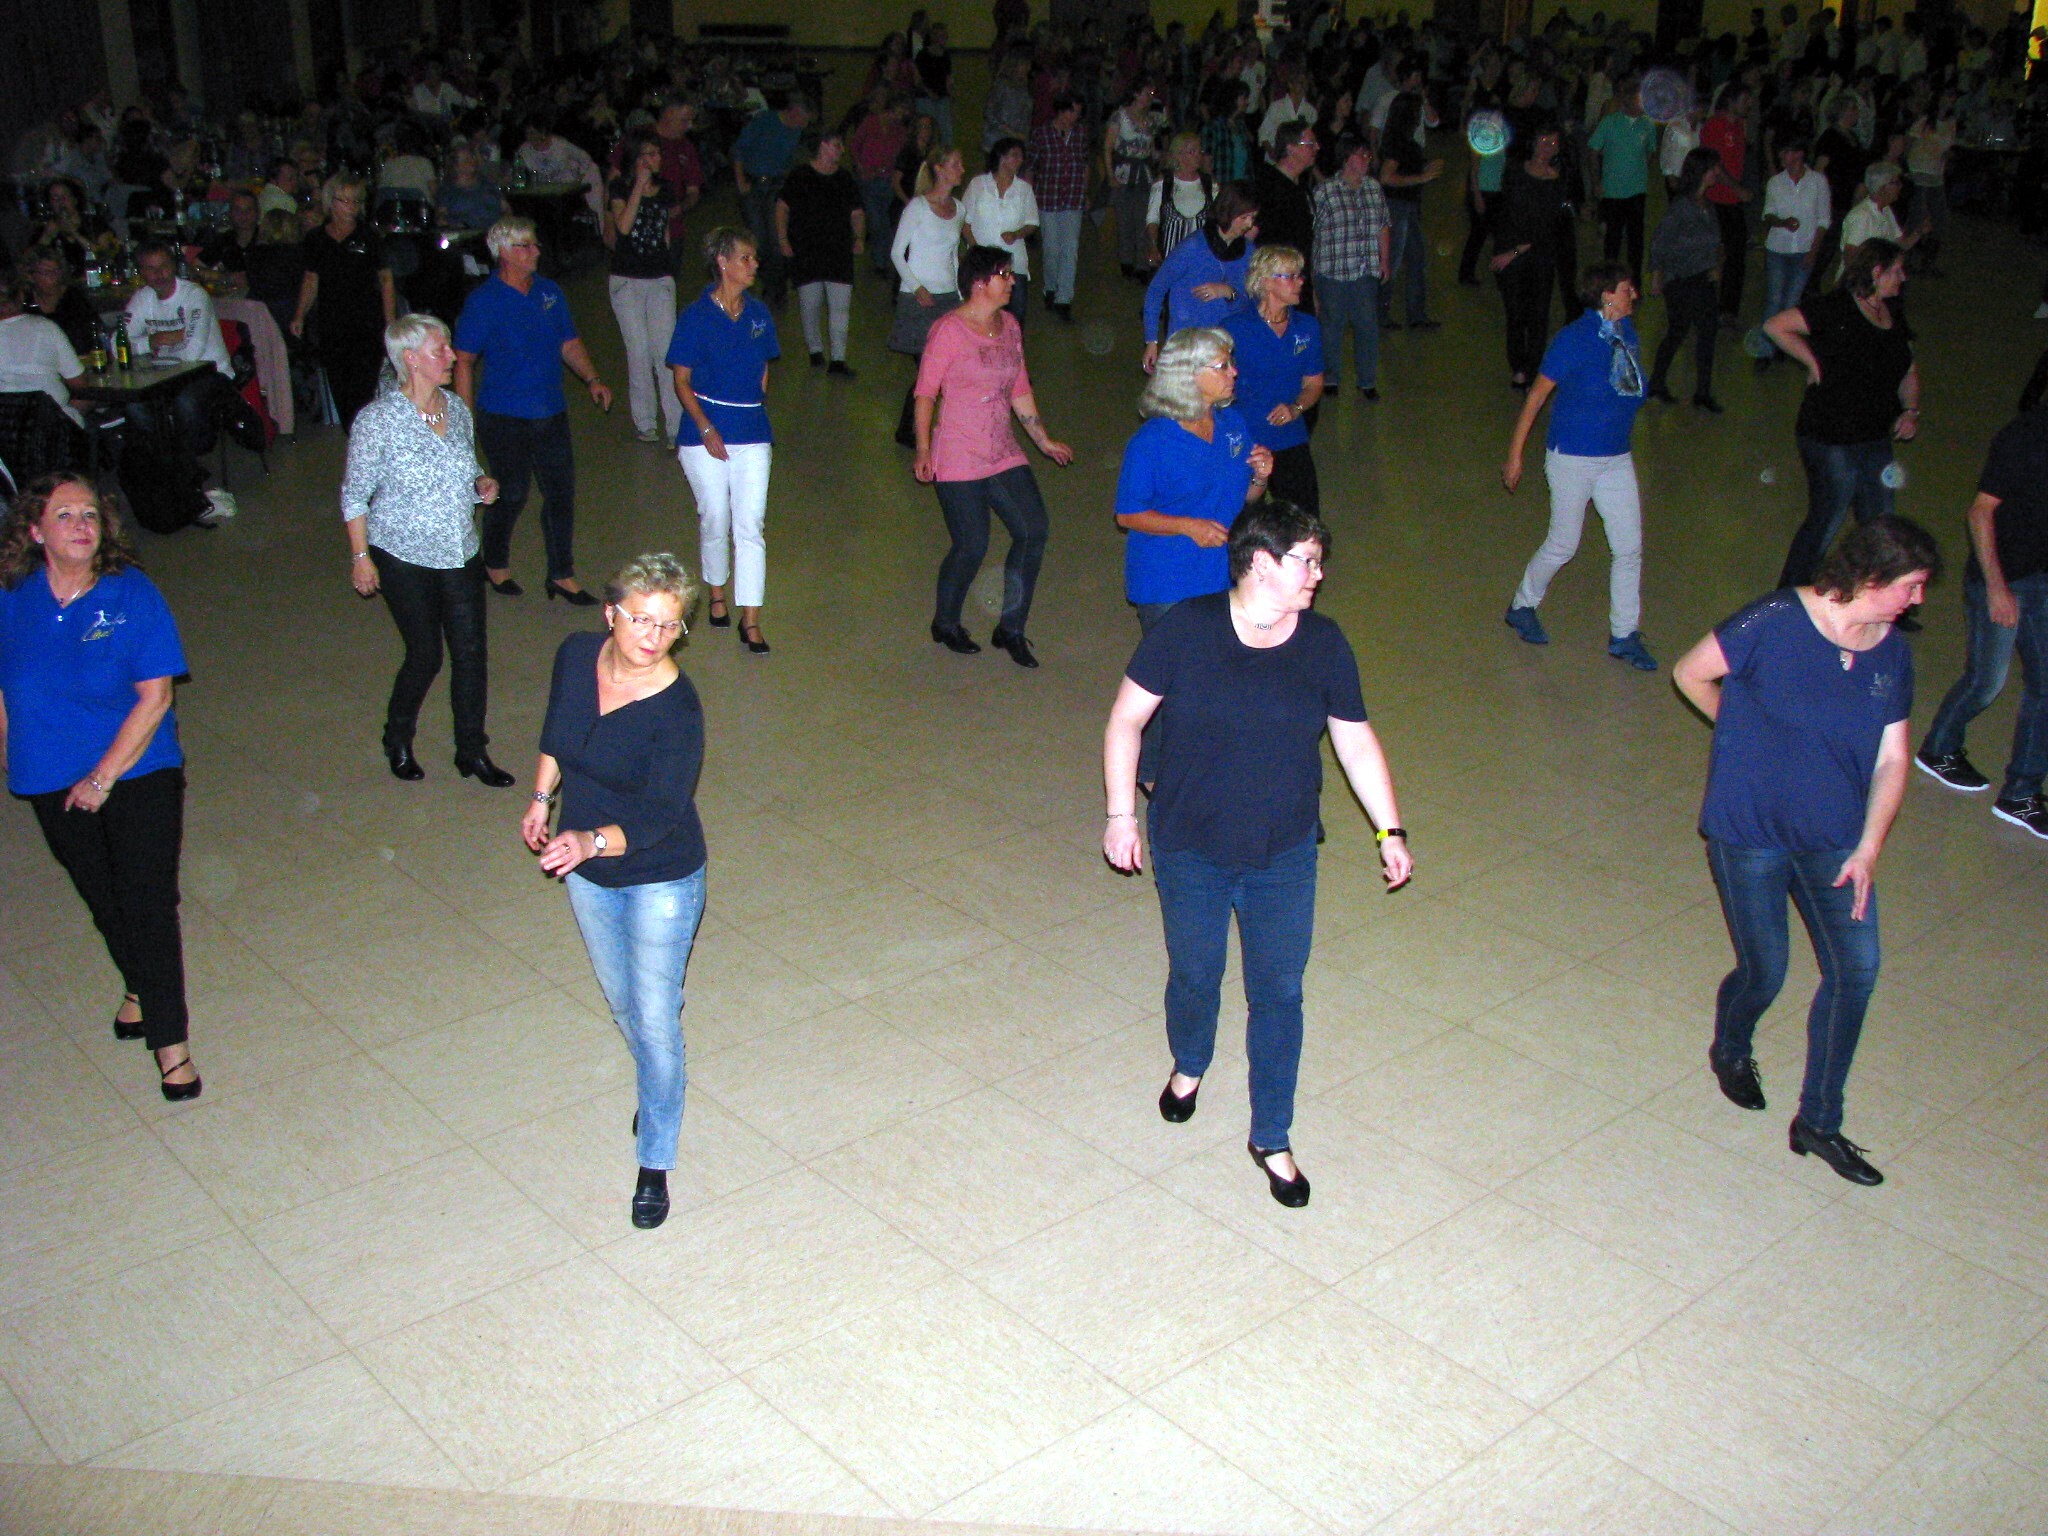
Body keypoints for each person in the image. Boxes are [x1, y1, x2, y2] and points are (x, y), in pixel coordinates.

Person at [1102, 497, 1412, 1210]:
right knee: (1195, 972)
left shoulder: (1324, 643)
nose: (1319, 574)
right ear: (1262, 564)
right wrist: (1122, 815)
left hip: (1284, 852)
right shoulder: (1187, 630)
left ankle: (1271, 1134)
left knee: (1278, 992)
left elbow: (1354, 739)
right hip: (1190, 846)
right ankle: (1190, 1061)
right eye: (1308, 561)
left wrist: (1388, 830)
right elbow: (1125, 720)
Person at [1671, 515, 1940, 1187]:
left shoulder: (1892, 655)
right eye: (1911, 585)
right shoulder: (1774, 620)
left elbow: (1893, 759)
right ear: (1871, 577)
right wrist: (1740, 737)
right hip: (1750, 832)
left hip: (1836, 839)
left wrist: (1869, 847)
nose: (1918, 600)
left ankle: (1819, 1122)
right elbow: (1690, 673)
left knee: (1857, 971)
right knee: (1766, 971)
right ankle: (1731, 1044)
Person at [0, 473, 201, 1101]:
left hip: (137, 769)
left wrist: (101, 777)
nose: (81, 525)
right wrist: (10, 748)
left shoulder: (131, 594)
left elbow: (156, 697)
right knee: (104, 899)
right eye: (64, 515)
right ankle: (138, 984)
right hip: (49, 774)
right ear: (35, 531)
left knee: (147, 903)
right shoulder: (12, 597)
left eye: (89, 514)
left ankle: (170, 1044)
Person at [523, 552, 707, 1231]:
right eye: (640, 620)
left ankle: (655, 1158)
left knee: (655, 1019)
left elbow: (659, 816)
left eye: (669, 625)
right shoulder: (576, 656)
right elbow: (557, 731)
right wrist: (542, 798)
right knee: (626, 1005)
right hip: (589, 875)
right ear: (610, 614)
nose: (653, 637)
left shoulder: (677, 708)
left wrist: (588, 840)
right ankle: (660, 1080)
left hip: (661, 876)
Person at [341, 315, 510, 786]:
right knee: (425, 655)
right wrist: (360, 558)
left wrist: (481, 484)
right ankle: (397, 738)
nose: (453, 357)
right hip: (403, 556)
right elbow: (354, 495)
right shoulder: (377, 421)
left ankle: (471, 751)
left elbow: (466, 469)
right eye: (442, 350)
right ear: (411, 359)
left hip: (460, 550)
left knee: (471, 653)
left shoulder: (455, 408)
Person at [1113, 328, 1275, 787]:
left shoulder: (1233, 425)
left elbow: (1244, 498)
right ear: (1188, 375)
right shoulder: (1152, 441)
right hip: (1166, 578)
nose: (1234, 372)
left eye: (1231, 363)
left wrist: (1261, 477)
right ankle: (1150, 773)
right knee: (1172, 680)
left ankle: (1201, 762)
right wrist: (1187, 525)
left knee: (1215, 674)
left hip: (1221, 572)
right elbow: (1127, 513)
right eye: (1222, 366)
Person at [915, 244, 1073, 665]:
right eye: (1004, 274)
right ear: (979, 283)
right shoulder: (948, 331)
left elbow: (1019, 387)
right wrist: (924, 449)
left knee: (1033, 530)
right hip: (958, 453)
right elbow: (925, 393)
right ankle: (945, 622)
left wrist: (1043, 440)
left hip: (1001, 450)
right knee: (972, 545)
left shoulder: (1011, 326)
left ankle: (1011, 628)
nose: (1012, 281)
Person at [1502, 261, 1657, 671]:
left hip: (1616, 458)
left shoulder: (1627, 333)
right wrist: (1516, 453)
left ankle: (1624, 634)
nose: (1634, 294)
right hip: (1572, 457)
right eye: (1627, 289)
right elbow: (1536, 397)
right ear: (1607, 296)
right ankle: (1522, 605)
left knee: (1629, 548)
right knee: (1563, 544)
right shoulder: (1573, 339)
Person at [453, 216, 614, 604]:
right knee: (511, 493)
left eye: (535, 244)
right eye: (525, 245)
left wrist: (592, 378)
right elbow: (464, 360)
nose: (535, 251)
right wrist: (463, 417)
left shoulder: (549, 292)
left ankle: (561, 574)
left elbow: (568, 342)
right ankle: (494, 562)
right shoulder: (484, 302)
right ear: (503, 252)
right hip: (503, 415)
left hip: (550, 411)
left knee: (560, 493)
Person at [1913, 406, 2048, 837]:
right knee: (1986, 682)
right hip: (2003, 578)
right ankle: (1939, 749)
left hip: (2040, 576)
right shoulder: (2025, 436)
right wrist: (1996, 588)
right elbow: (1980, 512)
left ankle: (2021, 794)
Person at [1765, 239, 1920, 591]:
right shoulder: (1836, 308)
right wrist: (1812, 360)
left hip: (1874, 435)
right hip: (1829, 434)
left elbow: (1909, 370)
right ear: (1876, 272)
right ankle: (1791, 594)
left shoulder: (1893, 313)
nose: (1903, 277)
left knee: (1881, 518)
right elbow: (1776, 325)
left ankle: (1882, 592)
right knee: (1827, 518)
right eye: (1897, 270)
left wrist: (1911, 410)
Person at [668, 227, 779, 657]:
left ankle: (750, 619)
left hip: (752, 431)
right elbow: (681, 380)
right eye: (745, 258)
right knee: (715, 516)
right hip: (704, 432)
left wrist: (753, 400)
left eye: (754, 258)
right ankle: (717, 591)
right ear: (723, 262)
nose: (754, 265)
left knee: (750, 525)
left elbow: (765, 367)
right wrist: (706, 427)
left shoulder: (759, 314)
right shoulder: (695, 316)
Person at [1222, 248, 1324, 513]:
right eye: (1291, 276)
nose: (1300, 282)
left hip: (1290, 436)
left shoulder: (1307, 327)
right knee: (1242, 518)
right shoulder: (1233, 329)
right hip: (1245, 438)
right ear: (1266, 281)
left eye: (1300, 275)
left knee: (1303, 519)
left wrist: (1296, 408)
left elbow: (1314, 383)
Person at [290, 176, 398, 428]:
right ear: (331, 202)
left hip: (366, 321)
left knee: (364, 388)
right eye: (344, 201)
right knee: (340, 387)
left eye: (355, 201)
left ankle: (364, 436)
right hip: (331, 322)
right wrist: (299, 315)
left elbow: (386, 279)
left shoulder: (369, 236)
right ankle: (354, 435)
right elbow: (311, 279)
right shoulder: (316, 238)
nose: (351, 207)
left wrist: (390, 321)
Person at [606, 130, 684, 447]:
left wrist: (668, 269)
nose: (654, 160)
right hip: (626, 280)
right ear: (635, 159)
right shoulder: (619, 188)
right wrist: (638, 185)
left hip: (659, 277)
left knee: (665, 353)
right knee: (638, 352)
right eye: (647, 154)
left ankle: (675, 425)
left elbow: (664, 231)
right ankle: (645, 422)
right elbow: (623, 227)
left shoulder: (666, 189)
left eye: (657, 153)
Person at [889, 144, 966, 448]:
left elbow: (953, 256)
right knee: (929, 370)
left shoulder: (959, 209)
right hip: (918, 298)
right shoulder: (917, 207)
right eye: (956, 164)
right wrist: (917, 287)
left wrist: (960, 295)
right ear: (939, 169)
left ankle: (916, 428)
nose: (961, 170)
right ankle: (911, 431)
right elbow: (897, 253)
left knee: (942, 370)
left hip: (947, 298)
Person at [1142, 182, 1258, 373]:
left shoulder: (1248, 252)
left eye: (1252, 218)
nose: (1249, 225)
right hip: (1187, 346)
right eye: (1244, 217)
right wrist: (1151, 341)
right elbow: (1156, 290)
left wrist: (1230, 292)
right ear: (1227, 213)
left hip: (1225, 346)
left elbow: (1251, 301)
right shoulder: (1192, 247)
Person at [1311, 134, 1391, 400]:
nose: (1367, 159)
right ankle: (1330, 377)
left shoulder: (1374, 188)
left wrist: (1384, 260)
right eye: (1361, 154)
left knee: (1367, 326)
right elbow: (1313, 234)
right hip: (1332, 271)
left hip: (1364, 270)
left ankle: (1367, 380)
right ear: (1346, 159)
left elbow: (1383, 225)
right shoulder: (1325, 192)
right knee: (1331, 327)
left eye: (1368, 154)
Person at [1491, 122, 1571, 389]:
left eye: (1554, 143)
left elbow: (1549, 225)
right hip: (1509, 251)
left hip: (1538, 254)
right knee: (1515, 313)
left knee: (1538, 315)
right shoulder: (1515, 171)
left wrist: (1516, 250)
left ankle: (1532, 368)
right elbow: (1508, 213)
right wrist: (1506, 250)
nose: (1548, 148)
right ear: (1533, 143)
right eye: (1544, 141)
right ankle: (1518, 367)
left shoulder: (1557, 180)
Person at [778, 130, 865, 376]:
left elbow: (857, 212)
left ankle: (838, 359)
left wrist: (859, 237)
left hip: (838, 251)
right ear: (823, 146)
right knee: (810, 304)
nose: (841, 150)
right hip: (807, 251)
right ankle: (815, 349)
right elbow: (782, 208)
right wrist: (783, 239)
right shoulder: (799, 176)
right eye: (837, 145)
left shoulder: (845, 178)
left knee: (840, 307)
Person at [1647, 148, 1727, 413]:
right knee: (1679, 331)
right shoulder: (1682, 207)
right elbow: (1659, 243)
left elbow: (1716, 243)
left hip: (1703, 279)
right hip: (1682, 280)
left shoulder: (1708, 206)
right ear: (1701, 172)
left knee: (1706, 333)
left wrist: (1716, 267)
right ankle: (1658, 383)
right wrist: (1657, 276)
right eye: (1713, 168)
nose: (1717, 173)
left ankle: (1701, 391)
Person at [732, 91, 813, 306]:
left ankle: (776, 287)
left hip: (777, 187)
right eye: (803, 119)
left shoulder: (797, 132)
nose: (804, 125)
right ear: (794, 112)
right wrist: (740, 181)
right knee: (759, 240)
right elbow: (739, 149)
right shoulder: (764, 121)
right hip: (754, 186)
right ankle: (770, 282)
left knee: (777, 240)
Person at [1757, 138, 1830, 370]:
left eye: (1786, 152)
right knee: (1774, 299)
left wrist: (1813, 252)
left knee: (1792, 302)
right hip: (1778, 249)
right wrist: (1782, 222)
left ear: (1799, 154)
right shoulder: (1775, 183)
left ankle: (1784, 346)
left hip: (1804, 251)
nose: (1781, 157)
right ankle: (1765, 350)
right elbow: (1767, 214)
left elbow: (1824, 220)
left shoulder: (1818, 182)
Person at [1375, 93, 1443, 328]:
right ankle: (1382, 314)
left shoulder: (1399, 140)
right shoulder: (1399, 142)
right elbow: (1386, 177)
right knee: (1392, 263)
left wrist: (1424, 170)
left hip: (1407, 207)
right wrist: (1422, 177)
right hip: (1397, 207)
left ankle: (1416, 315)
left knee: (1416, 259)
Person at [1587, 75, 1658, 276]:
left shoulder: (1647, 125)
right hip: (1613, 191)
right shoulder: (1609, 123)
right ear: (1628, 100)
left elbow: (1651, 150)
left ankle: (1634, 282)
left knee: (1636, 239)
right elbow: (1592, 151)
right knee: (1613, 239)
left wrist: (1641, 169)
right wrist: (1596, 182)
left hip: (1637, 190)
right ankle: (1609, 280)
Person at [961, 137, 1038, 324]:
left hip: (1014, 263)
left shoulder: (1024, 189)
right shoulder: (978, 185)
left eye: (1021, 156)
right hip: (982, 265)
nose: (1020, 160)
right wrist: (976, 250)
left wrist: (1017, 234)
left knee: (1015, 318)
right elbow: (964, 221)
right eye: (1015, 155)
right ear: (1001, 157)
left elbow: (1032, 222)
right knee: (981, 317)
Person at [1027, 92, 1090, 320]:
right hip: (1048, 198)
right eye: (1071, 111)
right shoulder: (1041, 134)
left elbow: (1085, 164)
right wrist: (1028, 199)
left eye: (1078, 113)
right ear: (1061, 110)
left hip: (1073, 198)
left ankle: (1064, 298)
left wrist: (1085, 191)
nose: (1074, 117)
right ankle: (1050, 287)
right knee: (1051, 249)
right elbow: (1031, 167)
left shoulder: (1080, 134)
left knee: (1070, 249)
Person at [0, 267, 86, 428]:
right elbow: (79, 384)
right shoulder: (45, 327)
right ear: (21, 295)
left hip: (8, 430)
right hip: (52, 426)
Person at [1701, 85, 1756, 323]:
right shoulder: (1714, 126)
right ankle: (1708, 306)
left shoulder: (1739, 126)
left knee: (1736, 256)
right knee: (1713, 256)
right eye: (1745, 99)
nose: (1749, 104)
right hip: (1716, 200)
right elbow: (1714, 164)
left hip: (1732, 201)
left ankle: (1727, 309)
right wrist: (1737, 188)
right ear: (1730, 101)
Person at [849, 90, 908, 279]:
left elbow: (902, 153)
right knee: (876, 221)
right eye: (899, 112)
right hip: (868, 179)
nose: (900, 116)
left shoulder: (899, 130)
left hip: (887, 179)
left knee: (885, 221)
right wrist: (859, 165)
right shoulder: (870, 122)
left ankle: (885, 260)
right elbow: (855, 145)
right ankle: (881, 260)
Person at [1104, 81, 1161, 279]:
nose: (1149, 97)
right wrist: (1110, 175)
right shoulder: (1119, 117)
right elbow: (1108, 147)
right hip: (1124, 174)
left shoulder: (1151, 119)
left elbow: (1151, 149)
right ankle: (1126, 259)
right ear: (1136, 94)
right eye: (1146, 93)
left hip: (1144, 175)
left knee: (1144, 218)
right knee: (1124, 219)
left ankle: (1142, 263)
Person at [1146, 131, 1214, 268]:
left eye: (1199, 151)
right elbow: (1152, 219)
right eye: (1192, 152)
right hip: (1170, 258)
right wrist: (1153, 246)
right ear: (1178, 155)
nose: (1198, 156)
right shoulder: (1163, 184)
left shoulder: (1210, 185)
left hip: (1202, 258)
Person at [20, 246, 100, 359]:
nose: (54, 278)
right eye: (46, 273)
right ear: (31, 276)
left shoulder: (73, 298)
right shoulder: (26, 303)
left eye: (56, 271)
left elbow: (92, 335)